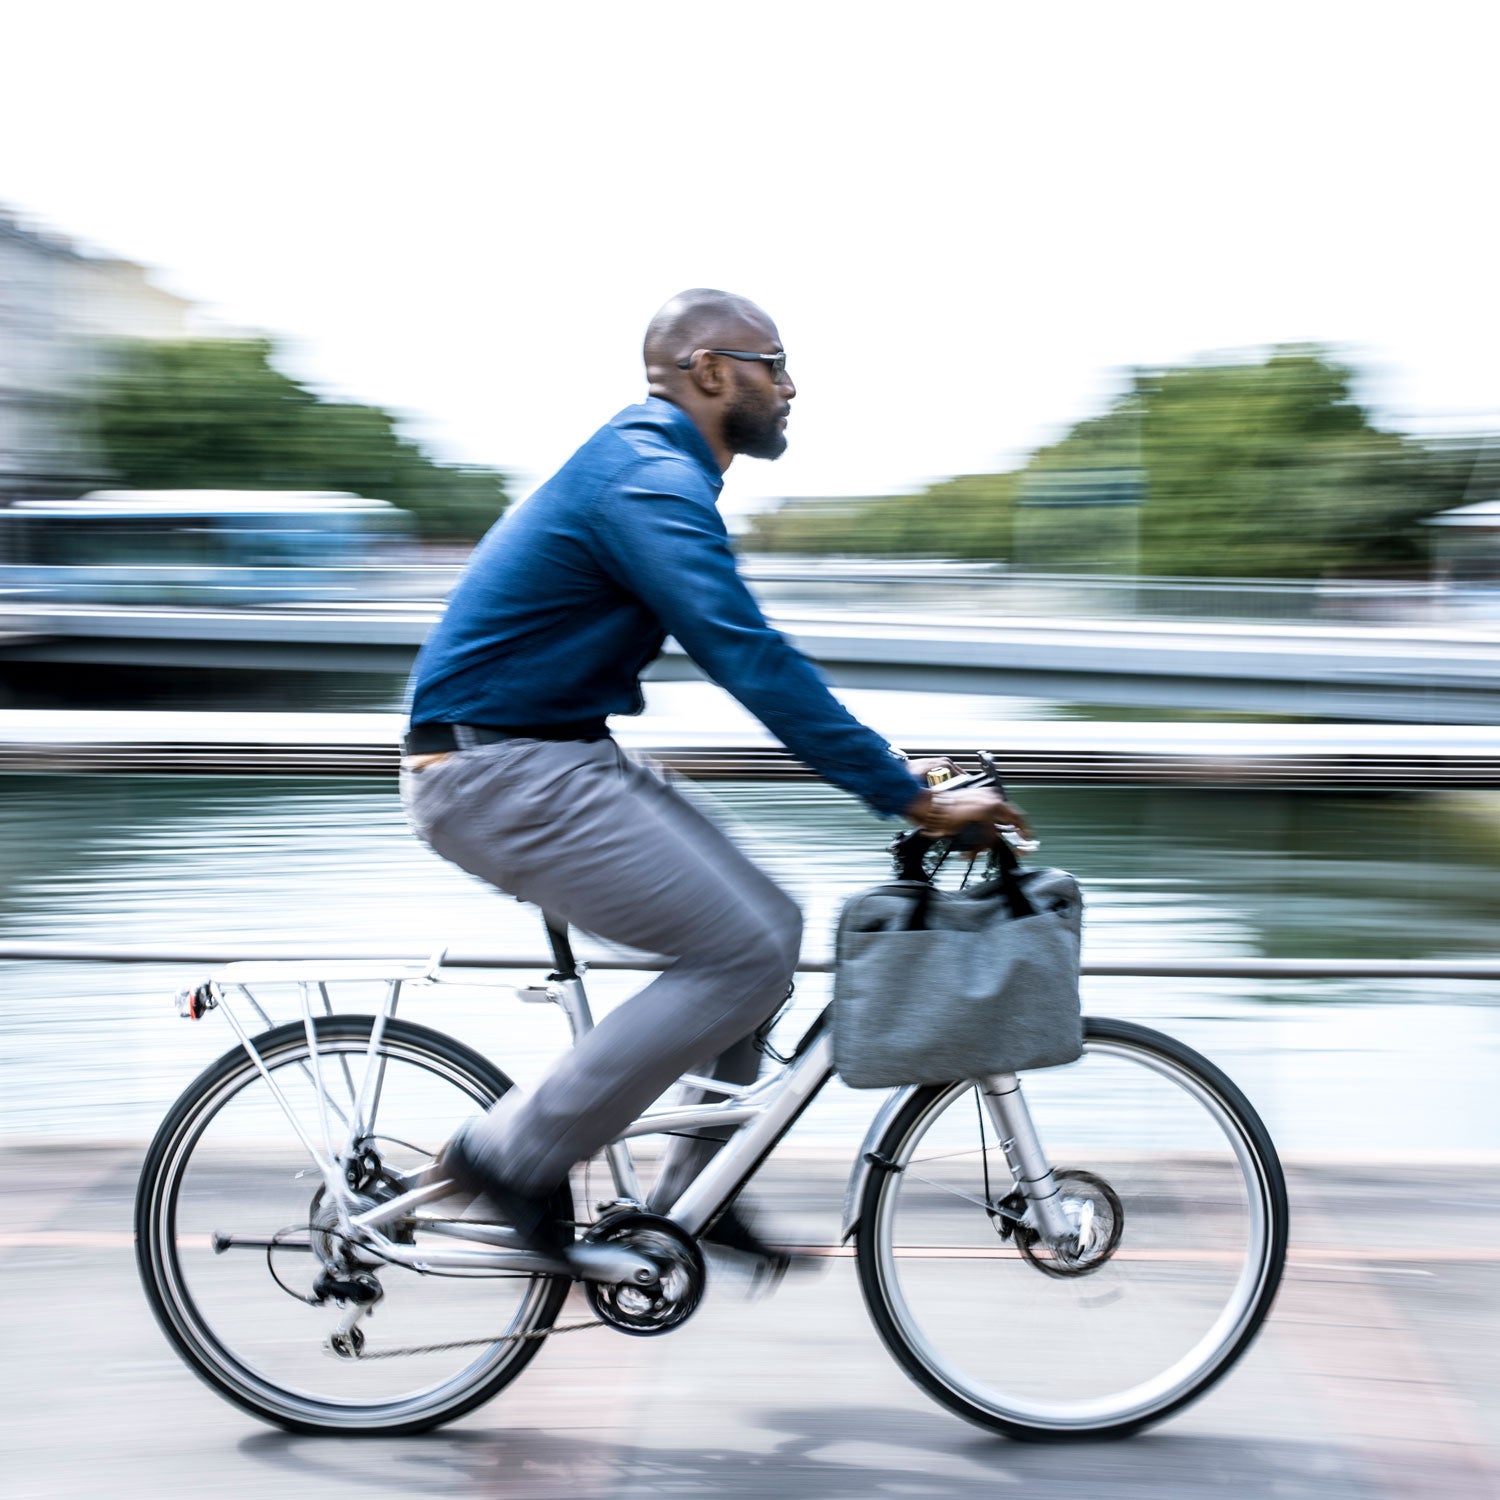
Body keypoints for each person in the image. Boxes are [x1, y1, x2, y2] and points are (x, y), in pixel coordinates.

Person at [401, 289, 1028, 1271]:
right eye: (772, 363)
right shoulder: (647, 478)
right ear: (708, 370)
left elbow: (755, 658)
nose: (789, 385)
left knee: (768, 928)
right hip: (498, 770)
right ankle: (509, 1155)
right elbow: (748, 656)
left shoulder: (656, 468)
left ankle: (698, 1190)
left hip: (545, 754)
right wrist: (908, 796)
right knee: (741, 954)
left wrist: (899, 774)